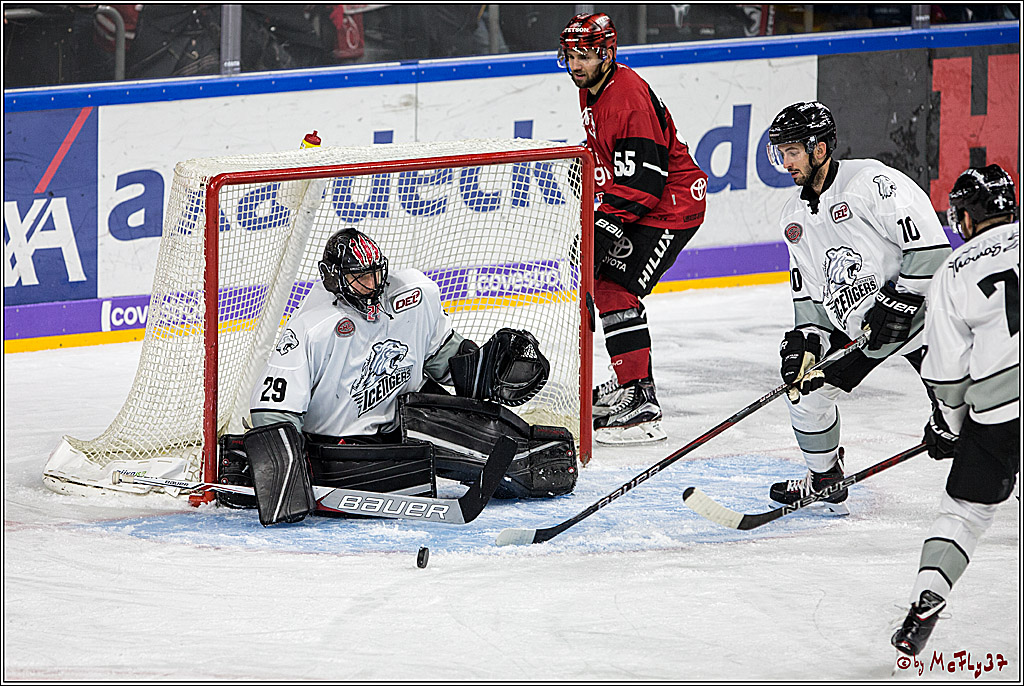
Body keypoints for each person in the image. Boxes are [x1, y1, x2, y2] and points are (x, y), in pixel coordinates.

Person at [226, 227, 576, 508]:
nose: (372, 285)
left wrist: (479, 366)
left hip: (404, 423)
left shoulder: (413, 295)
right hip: (339, 447)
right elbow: (273, 409)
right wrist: (286, 473)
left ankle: (533, 456)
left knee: (510, 462)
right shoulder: (310, 327)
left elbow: (441, 358)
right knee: (400, 477)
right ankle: (244, 463)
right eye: (360, 277)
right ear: (334, 279)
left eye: (376, 274)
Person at [765, 101, 952, 513]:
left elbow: (932, 252)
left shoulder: (871, 182)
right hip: (863, 332)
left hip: (922, 322)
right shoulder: (793, 218)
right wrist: (807, 341)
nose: (785, 162)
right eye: (780, 153)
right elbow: (810, 298)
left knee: (968, 417)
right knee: (806, 391)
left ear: (819, 149)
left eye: (792, 151)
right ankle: (824, 480)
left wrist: (901, 300)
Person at [558, 12, 708, 445]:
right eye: (570, 56)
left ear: (607, 54)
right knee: (607, 284)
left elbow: (646, 180)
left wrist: (605, 226)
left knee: (615, 286)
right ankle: (631, 382)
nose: (576, 65)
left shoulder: (626, 98)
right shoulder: (593, 88)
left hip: (672, 206)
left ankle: (641, 400)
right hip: (646, 202)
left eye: (585, 56)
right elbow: (613, 159)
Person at [891, 165, 1019, 656]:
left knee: (964, 512)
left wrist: (953, 427)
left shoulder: (954, 270)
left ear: (965, 217)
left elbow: (946, 374)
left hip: (1001, 411)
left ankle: (928, 599)